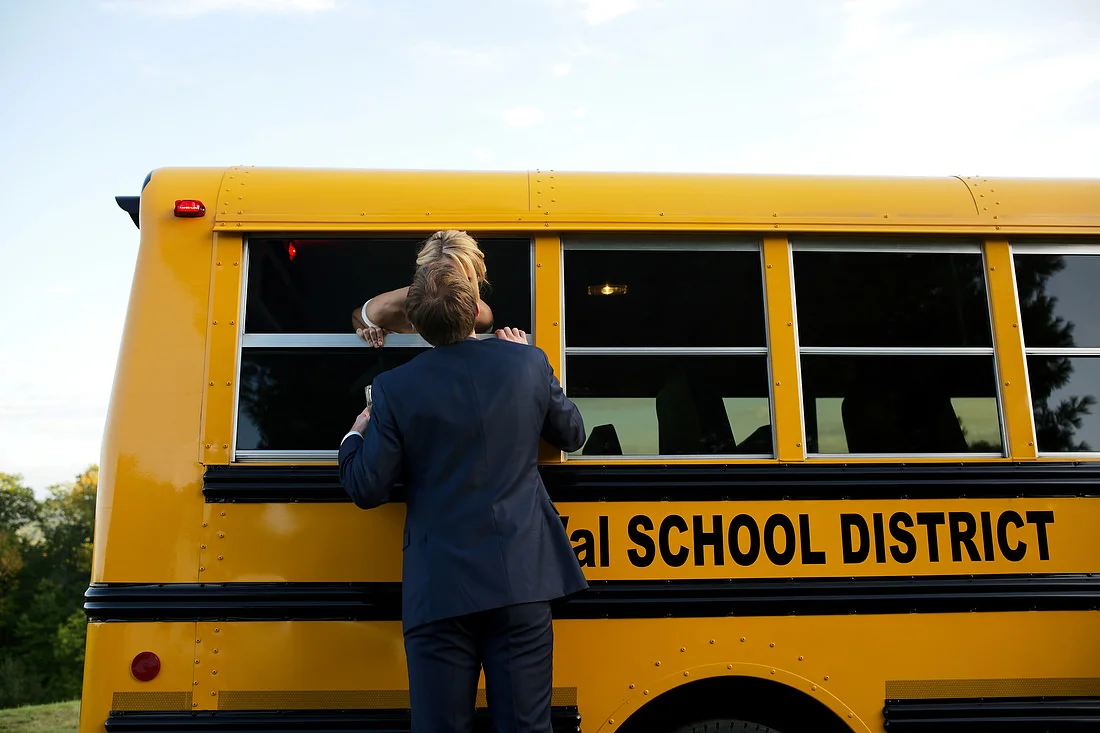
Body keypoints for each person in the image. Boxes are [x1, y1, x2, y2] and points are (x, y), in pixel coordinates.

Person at [338, 259, 588, 733]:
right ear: (475, 311)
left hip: (440, 588)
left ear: (416, 324)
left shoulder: (394, 388)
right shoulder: (527, 363)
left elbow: (367, 487)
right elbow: (572, 433)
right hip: (521, 579)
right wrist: (525, 361)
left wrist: (353, 436)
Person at [352, 229, 495, 347]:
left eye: (462, 280)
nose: (453, 288)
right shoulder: (386, 308)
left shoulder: (483, 317)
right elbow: (357, 318)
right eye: (442, 279)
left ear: (477, 279)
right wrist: (368, 332)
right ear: (421, 276)